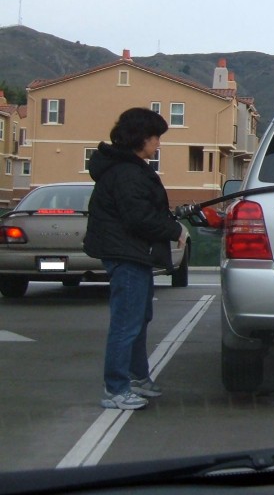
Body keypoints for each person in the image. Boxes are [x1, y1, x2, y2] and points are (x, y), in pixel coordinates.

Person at [84, 108, 188, 410]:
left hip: (131, 253)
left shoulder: (126, 168)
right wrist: (174, 229)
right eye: (156, 138)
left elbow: (141, 212)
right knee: (127, 323)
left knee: (138, 319)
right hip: (126, 254)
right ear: (141, 137)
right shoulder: (127, 172)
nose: (158, 144)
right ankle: (116, 388)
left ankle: (136, 377)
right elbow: (138, 218)